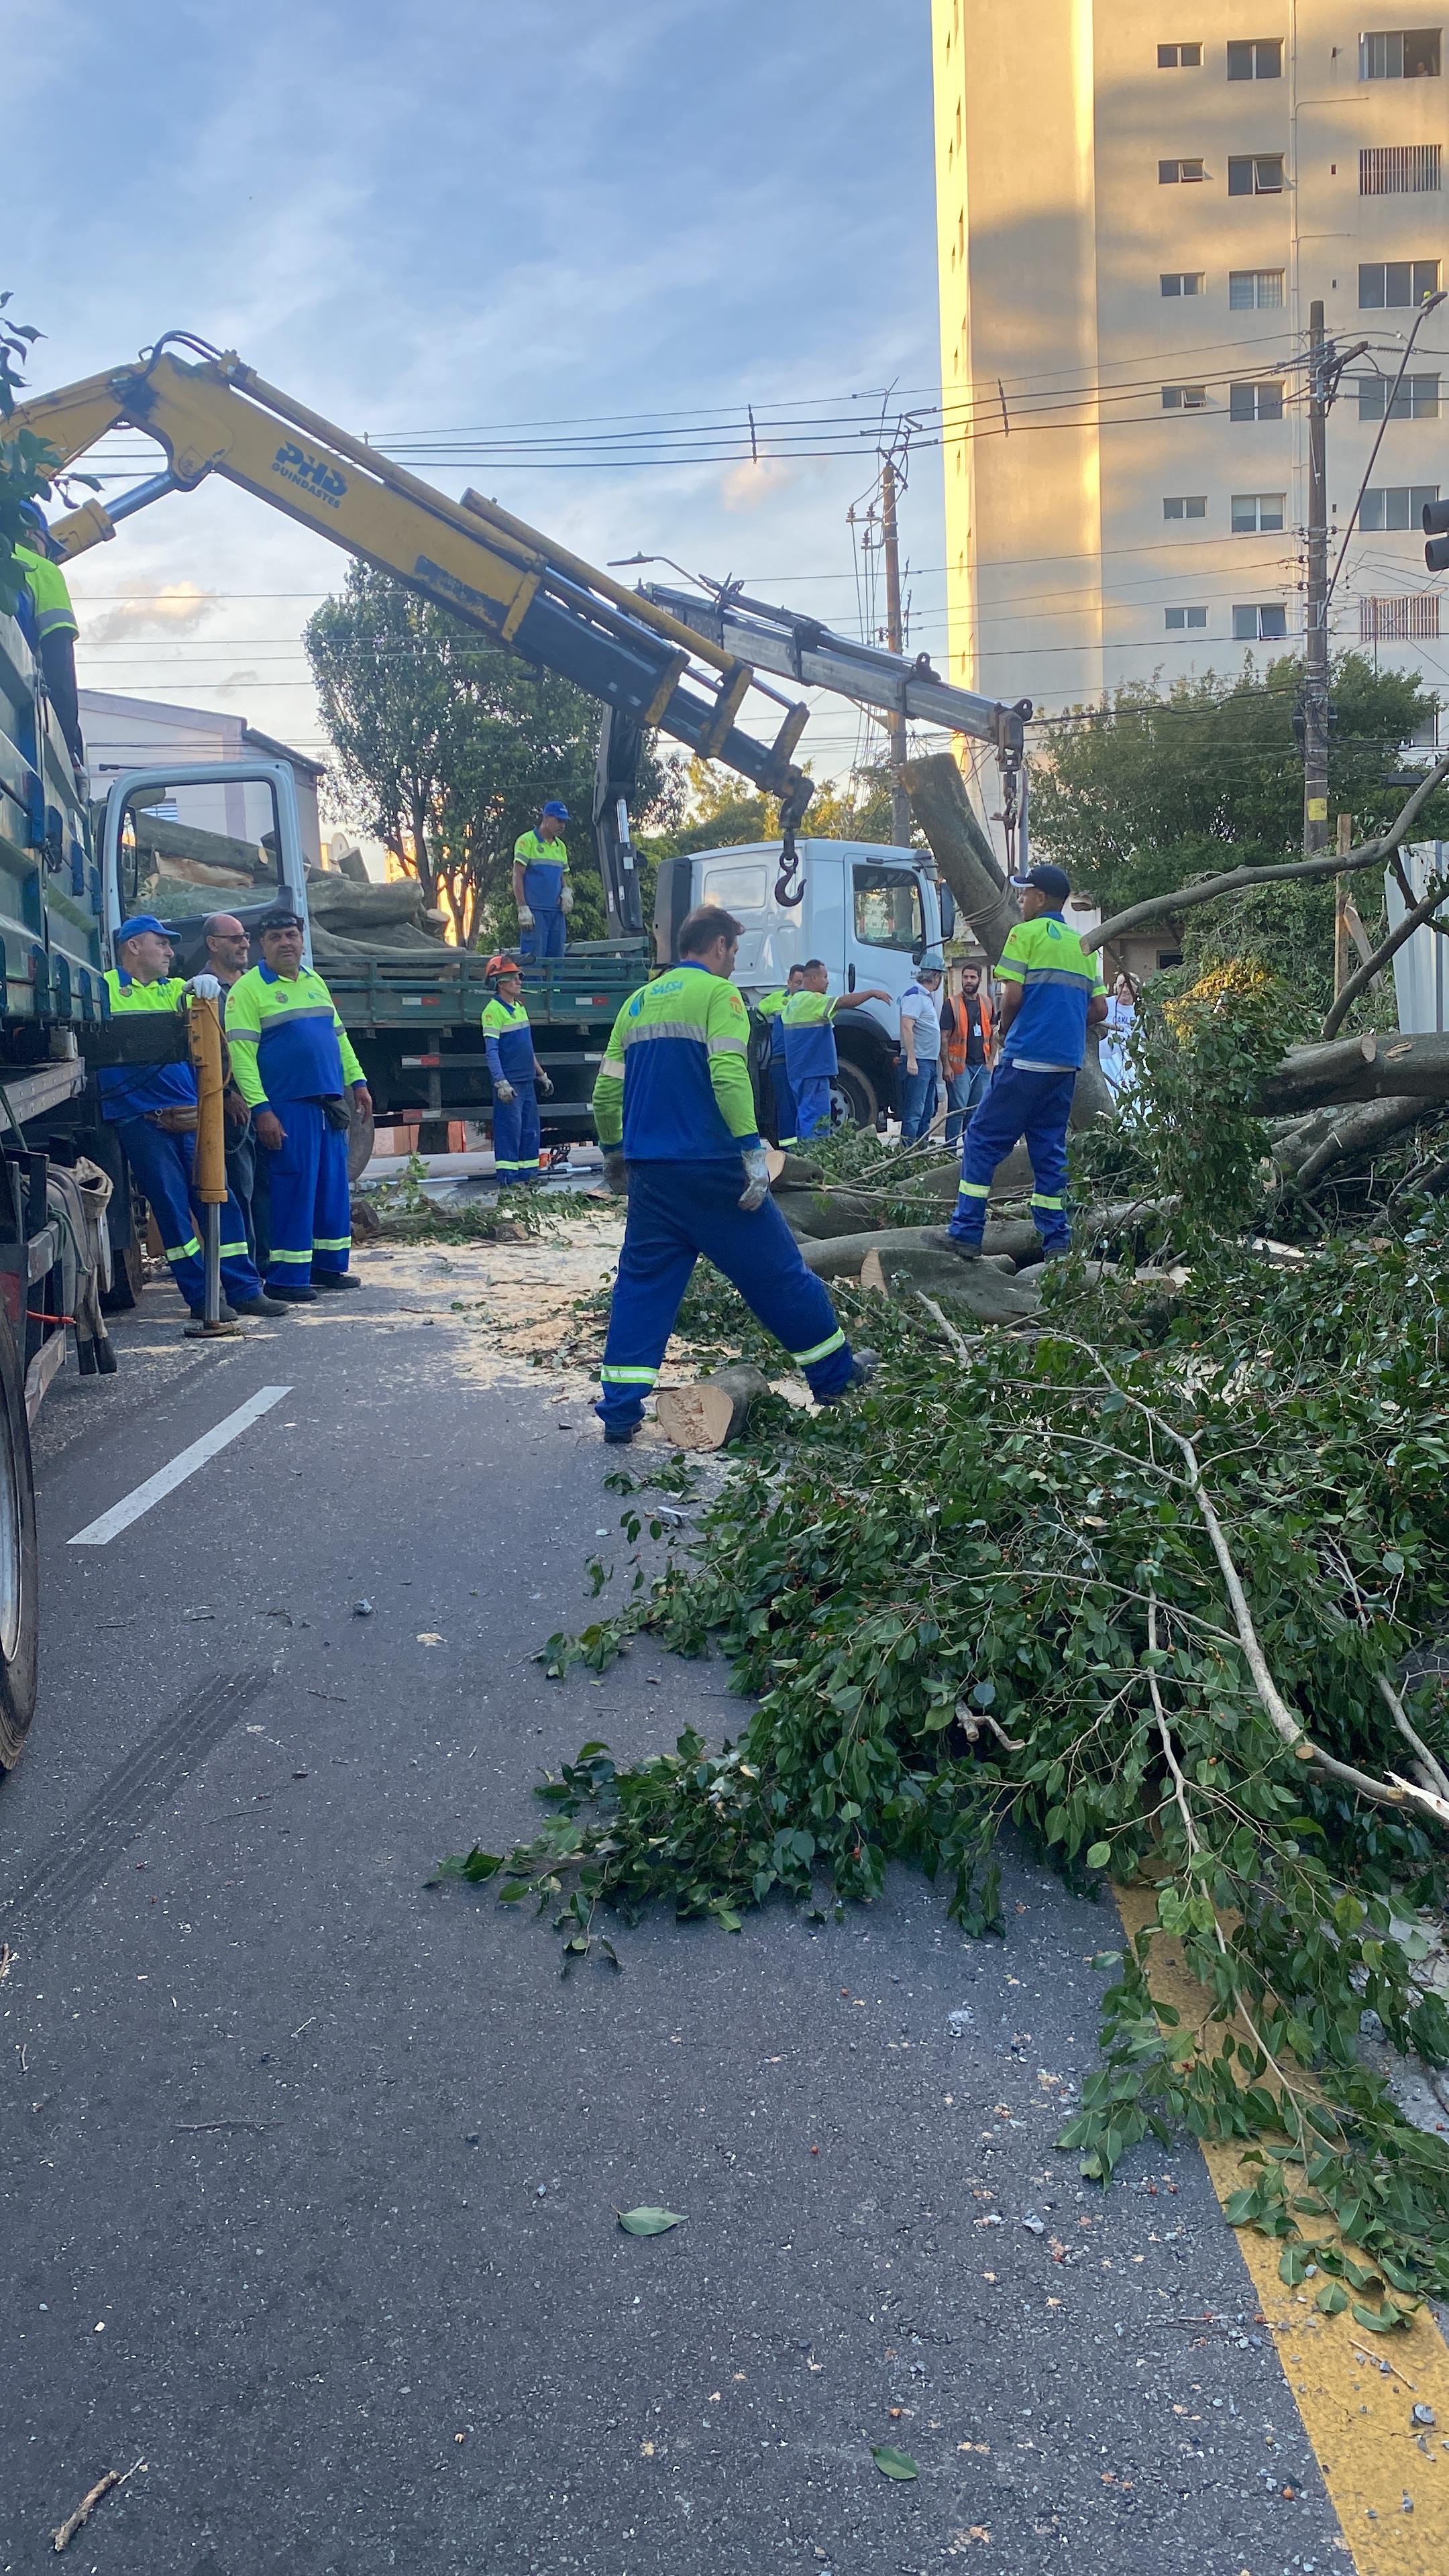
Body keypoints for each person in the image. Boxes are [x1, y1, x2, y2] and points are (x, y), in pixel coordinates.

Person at [591, 904, 871, 1444]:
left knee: (642, 1288)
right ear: (718, 946)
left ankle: (621, 1410)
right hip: (714, 1171)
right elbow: (727, 1074)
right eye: (734, 951)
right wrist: (750, 1151)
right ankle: (835, 1377)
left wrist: (613, 1153)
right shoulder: (720, 998)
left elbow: (606, 1091)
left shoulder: (638, 1003)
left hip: (651, 1175)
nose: (734, 962)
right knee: (779, 1275)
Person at [99, 916, 284, 1322]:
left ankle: (245, 1290)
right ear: (133, 947)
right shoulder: (105, 989)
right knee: (172, 1208)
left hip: (189, 1115)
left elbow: (205, 1030)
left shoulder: (173, 990)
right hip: (140, 1119)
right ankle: (203, 1298)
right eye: (161, 944)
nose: (170, 952)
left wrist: (203, 999)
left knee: (221, 1199)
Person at [947, 862, 1108, 1261]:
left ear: (1040, 897)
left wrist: (1005, 1030)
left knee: (982, 1141)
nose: (1020, 901)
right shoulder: (1084, 944)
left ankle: (966, 1231)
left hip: (1025, 1061)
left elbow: (1013, 997)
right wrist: (1063, 1022)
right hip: (1065, 1065)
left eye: (1024, 893)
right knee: (1049, 1152)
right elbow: (1100, 1008)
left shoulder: (1024, 934)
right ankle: (1057, 1243)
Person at [225, 908, 373, 1301]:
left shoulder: (314, 982)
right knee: (294, 1191)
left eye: (291, 935)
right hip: (286, 1108)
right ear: (262, 944)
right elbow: (241, 1058)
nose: (285, 943)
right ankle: (287, 1280)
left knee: (331, 1189)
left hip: (328, 1103)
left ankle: (328, 1267)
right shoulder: (248, 990)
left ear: (302, 940)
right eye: (275, 938)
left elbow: (339, 1038)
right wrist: (262, 1111)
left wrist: (358, 1081)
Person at [203, 911, 271, 1274]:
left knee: (267, 1186)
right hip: (234, 1108)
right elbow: (204, 1050)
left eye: (246, 936)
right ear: (213, 944)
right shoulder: (202, 991)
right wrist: (228, 1094)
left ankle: (271, 1261)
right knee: (241, 1190)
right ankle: (249, 1271)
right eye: (235, 938)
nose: (246, 944)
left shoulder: (253, 985)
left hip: (265, 1103)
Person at [780, 960, 891, 1143]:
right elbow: (843, 1002)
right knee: (817, 1123)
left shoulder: (795, 1002)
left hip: (801, 1071)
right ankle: (815, 1162)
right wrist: (872, 993)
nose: (828, 982)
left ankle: (804, 1159)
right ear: (814, 978)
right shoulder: (810, 1000)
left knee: (805, 1118)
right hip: (814, 1072)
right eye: (825, 977)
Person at [15, 502, 84, 777]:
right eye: (48, 546)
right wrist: (68, 747)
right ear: (32, 534)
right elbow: (60, 666)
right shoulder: (41, 569)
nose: (50, 556)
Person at [481, 953, 554, 1185]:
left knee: (530, 1132)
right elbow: (491, 1052)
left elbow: (527, 1049)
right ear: (500, 983)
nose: (519, 982)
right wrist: (501, 1082)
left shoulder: (520, 1008)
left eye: (519, 977)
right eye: (513, 978)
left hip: (527, 1082)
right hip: (510, 1085)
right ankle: (509, 1182)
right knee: (509, 1133)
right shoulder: (493, 1011)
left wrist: (541, 1074)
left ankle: (529, 1179)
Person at [941, 962, 994, 1148]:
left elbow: (993, 1034)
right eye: (965, 977)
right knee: (958, 1111)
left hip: (982, 1066)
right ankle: (950, 1150)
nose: (968, 981)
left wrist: (991, 1061)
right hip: (960, 1068)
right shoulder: (952, 1004)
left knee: (976, 1111)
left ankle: (971, 1149)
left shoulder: (987, 1003)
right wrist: (946, 1066)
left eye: (972, 977)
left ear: (980, 979)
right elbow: (944, 1038)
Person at [512, 801, 573, 959]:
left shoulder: (561, 846)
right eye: (559, 820)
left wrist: (566, 892)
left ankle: (556, 986)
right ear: (546, 818)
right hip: (535, 912)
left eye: (565, 822)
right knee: (533, 960)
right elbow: (518, 875)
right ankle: (531, 986)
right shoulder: (527, 841)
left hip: (556, 913)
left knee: (556, 960)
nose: (562, 825)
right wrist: (523, 908)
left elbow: (561, 875)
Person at [755, 963, 806, 1148]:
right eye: (797, 982)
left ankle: (804, 1148)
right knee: (785, 1110)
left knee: (804, 1109)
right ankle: (789, 1151)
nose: (799, 987)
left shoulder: (810, 1000)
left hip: (801, 1064)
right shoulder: (776, 999)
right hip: (781, 1062)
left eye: (803, 983)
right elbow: (756, 1015)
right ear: (789, 982)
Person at [898, 952, 945, 1144]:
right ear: (936, 976)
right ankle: (908, 1152)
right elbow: (906, 1026)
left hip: (928, 1062)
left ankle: (920, 1151)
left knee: (926, 1111)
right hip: (920, 1062)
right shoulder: (915, 996)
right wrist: (911, 1058)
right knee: (915, 1112)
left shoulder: (924, 997)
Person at [1098, 970, 1140, 1102]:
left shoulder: (1141, 1010)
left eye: (1130, 986)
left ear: (1136, 990)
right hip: (1105, 1061)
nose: (1126, 990)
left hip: (1131, 1063)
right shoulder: (1105, 1006)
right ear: (1116, 987)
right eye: (1122, 986)